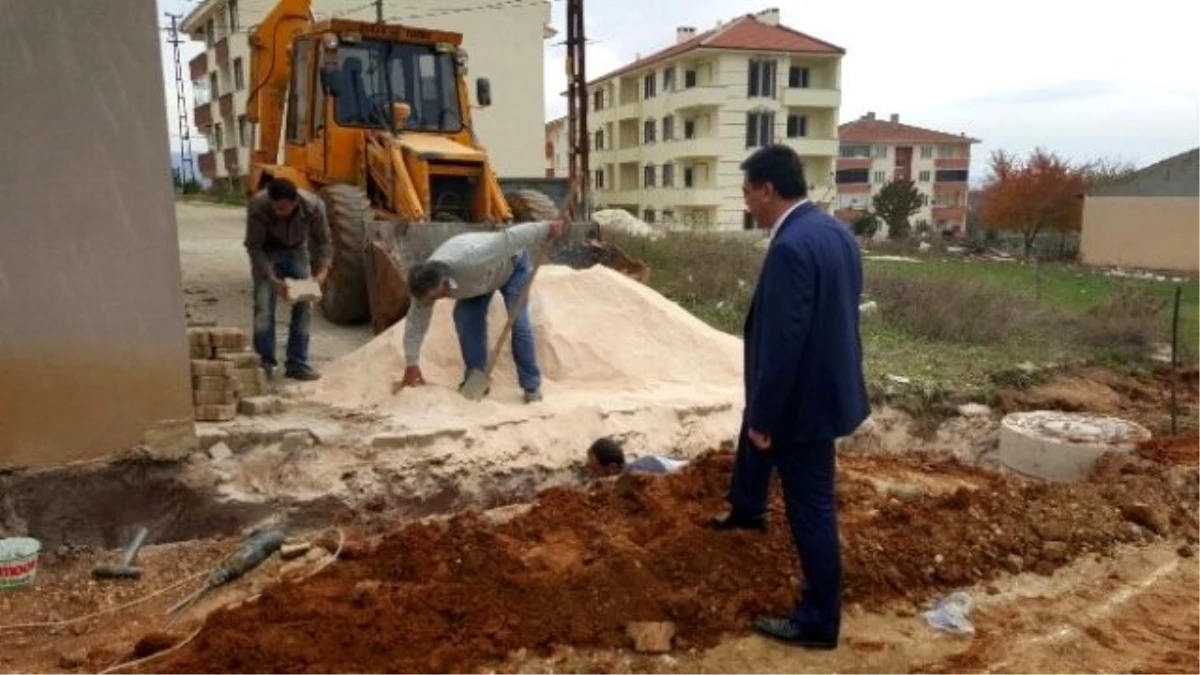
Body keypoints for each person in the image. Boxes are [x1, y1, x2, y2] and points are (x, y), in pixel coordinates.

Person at [709, 144, 870, 650]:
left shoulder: (790, 248)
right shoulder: (834, 233)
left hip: (804, 400)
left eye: (747, 194)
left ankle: (818, 619)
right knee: (750, 435)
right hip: (827, 383)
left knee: (812, 507)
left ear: (767, 190)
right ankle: (747, 508)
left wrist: (766, 415)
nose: (746, 204)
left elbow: (783, 343)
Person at [398, 219, 567, 402]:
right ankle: (476, 380)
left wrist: (545, 227)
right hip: (479, 284)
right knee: (465, 317)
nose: (436, 301)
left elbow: (510, 238)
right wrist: (411, 364)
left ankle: (531, 386)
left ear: (446, 282)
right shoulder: (424, 285)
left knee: (519, 323)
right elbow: (415, 324)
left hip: (512, 267)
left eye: (439, 296)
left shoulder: (472, 259)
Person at [244, 177, 331, 382]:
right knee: (264, 308)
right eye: (275, 208)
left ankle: (297, 363)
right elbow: (254, 247)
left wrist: (322, 273)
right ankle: (265, 364)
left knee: (304, 305)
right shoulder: (258, 205)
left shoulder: (315, 206)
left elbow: (324, 242)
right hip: (267, 251)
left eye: (283, 208)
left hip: (297, 250)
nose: (278, 213)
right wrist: (272, 278)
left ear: (295, 202)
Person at [585, 437, 688, 478]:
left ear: (612, 468)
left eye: (595, 470)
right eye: (588, 468)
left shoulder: (637, 475)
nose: (589, 475)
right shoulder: (630, 468)